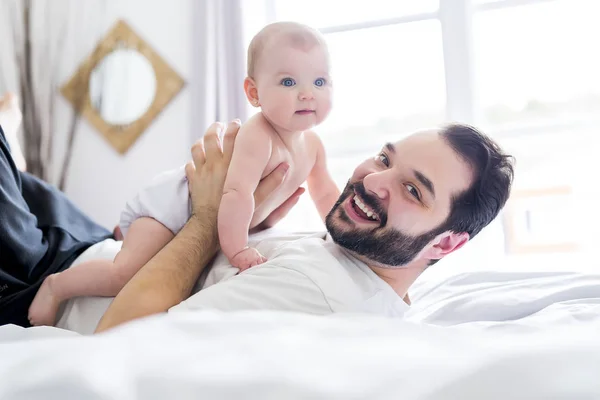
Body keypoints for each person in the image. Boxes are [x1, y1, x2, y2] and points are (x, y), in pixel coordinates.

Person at [28, 21, 341, 326]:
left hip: (197, 213)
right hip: (171, 205)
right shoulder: (258, 136)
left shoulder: (312, 145)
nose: (306, 94)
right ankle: (56, 286)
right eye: (289, 82)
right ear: (254, 93)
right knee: (124, 273)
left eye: (319, 81)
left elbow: (325, 191)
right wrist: (237, 250)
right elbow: (236, 195)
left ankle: (126, 235)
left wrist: (338, 233)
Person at [93, 118, 514, 333]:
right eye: (385, 159)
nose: (371, 180)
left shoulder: (315, 289)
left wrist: (206, 217)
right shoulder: (364, 265)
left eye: (412, 191)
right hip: (99, 246)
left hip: (46, 270)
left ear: (446, 245)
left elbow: (120, 343)